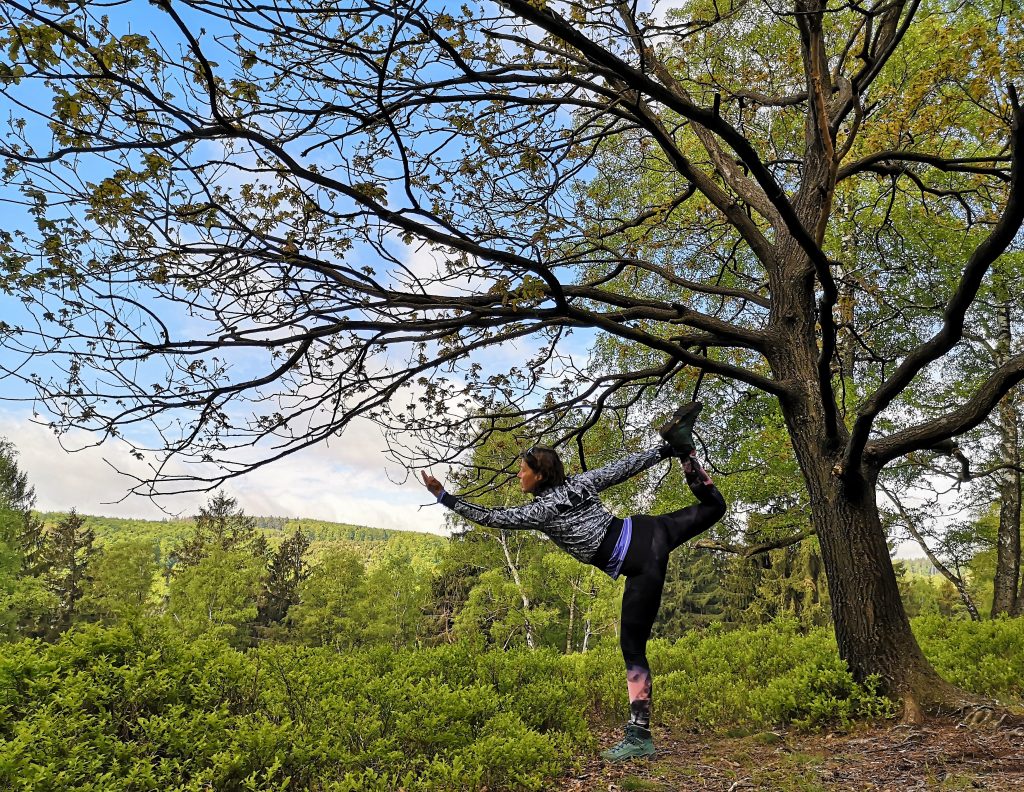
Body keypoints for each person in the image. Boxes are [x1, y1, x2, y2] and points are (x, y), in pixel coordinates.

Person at [420, 403, 726, 762]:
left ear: (539, 476)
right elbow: (623, 468)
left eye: (522, 471)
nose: (518, 476)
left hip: (641, 563)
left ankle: (639, 736)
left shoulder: (539, 510)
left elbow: (491, 517)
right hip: (649, 530)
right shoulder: (580, 483)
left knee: (632, 648)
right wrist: (665, 450)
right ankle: (686, 451)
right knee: (714, 508)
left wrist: (445, 497)